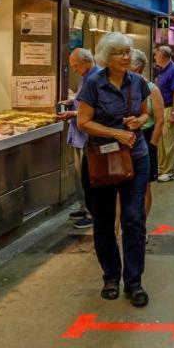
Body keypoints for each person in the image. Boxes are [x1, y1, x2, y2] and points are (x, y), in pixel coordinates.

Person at [76, 32, 156, 307]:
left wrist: (139, 121)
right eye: (119, 53)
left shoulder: (138, 82)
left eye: (128, 52)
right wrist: (115, 133)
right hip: (101, 158)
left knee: (134, 218)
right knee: (104, 220)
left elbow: (147, 113)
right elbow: (83, 121)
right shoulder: (94, 84)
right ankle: (111, 276)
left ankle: (134, 282)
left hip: (136, 156)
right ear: (106, 57)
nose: (126, 57)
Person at [58, 48, 99, 230]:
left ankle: (92, 213)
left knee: (88, 179)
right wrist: (71, 102)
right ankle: (85, 207)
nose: (74, 69)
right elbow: (83, 102)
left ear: (86, 62)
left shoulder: (94, 78)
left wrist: (73, 113)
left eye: (76, 66)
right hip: (79, 135)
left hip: (87, 137)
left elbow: (93, 109)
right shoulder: (86, 77)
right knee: (81, 178)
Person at [132, 49, 165, 216]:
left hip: (146, 138)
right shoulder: (122, 87)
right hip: (126, 139)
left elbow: (160, 120)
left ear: (137, 67)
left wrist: (152, 145)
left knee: (144, 186)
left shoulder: (152, 89)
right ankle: (118, 229)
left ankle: (141, 227)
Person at [154, 45, 174, 181]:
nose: (154, 57)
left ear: (163, 56)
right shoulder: (162, 70)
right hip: (162, 109)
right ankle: (161, 168)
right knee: (161, 141)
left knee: (170, 140)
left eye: (156, 55)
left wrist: (173, 113)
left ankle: (170, 171)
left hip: (170, 108)